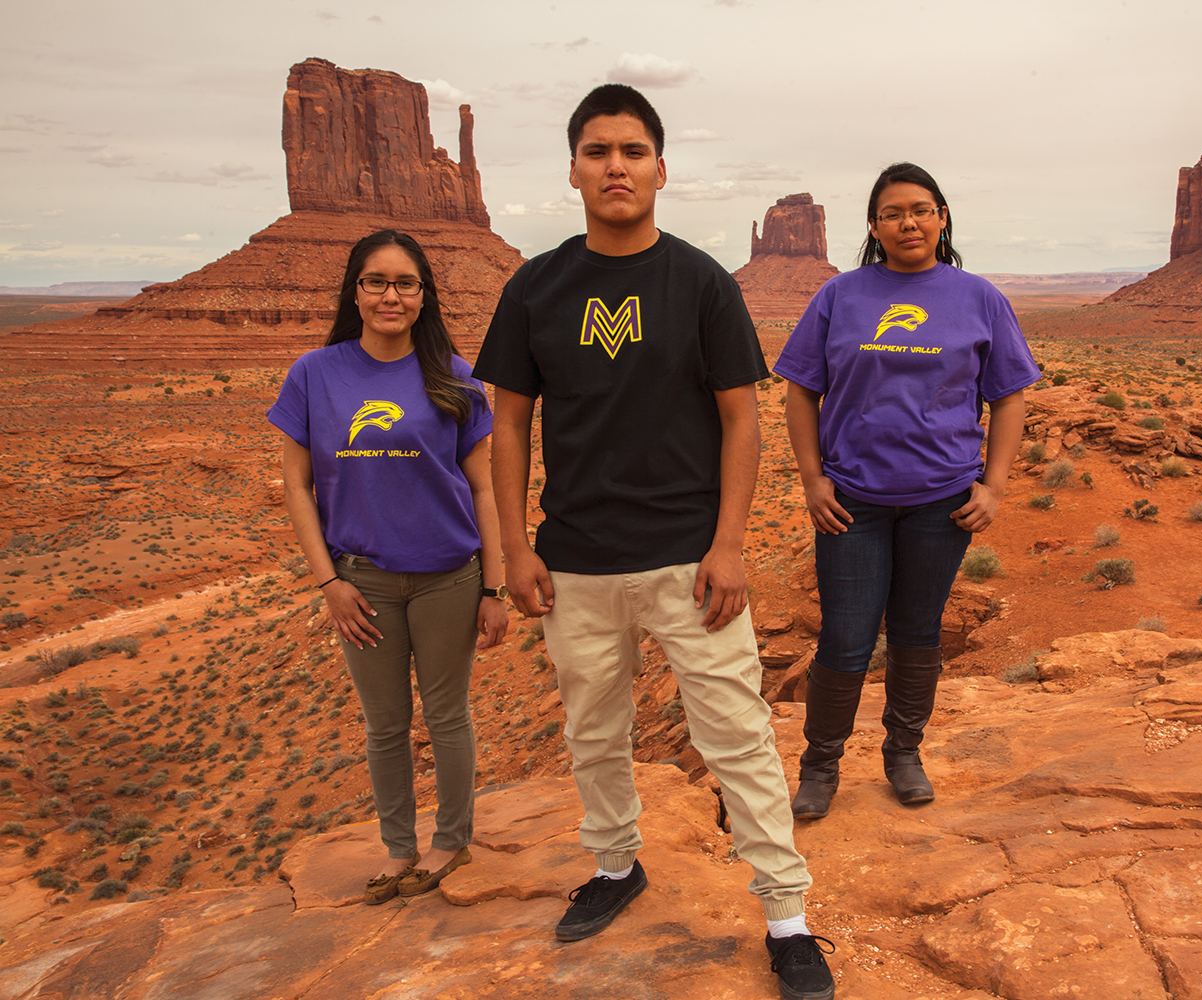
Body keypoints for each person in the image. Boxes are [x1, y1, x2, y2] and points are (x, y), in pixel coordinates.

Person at [473, 85, 836, 1000]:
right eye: (597, 152)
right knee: (594, 733)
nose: (616, 167)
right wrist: (514, 550)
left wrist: (731, 544)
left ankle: (786, 914)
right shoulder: (534, 287)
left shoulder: (702, 281)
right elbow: (508, 427)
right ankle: (614, 865)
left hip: (688, 560)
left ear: (662, 169)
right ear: (572, 170)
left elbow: (740, 421)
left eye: (632, 151)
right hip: (576, 564)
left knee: (738, 736)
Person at [773, 162, 1038, 820]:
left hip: (941, 500)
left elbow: (1010, 395)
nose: (909, 222)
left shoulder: (979, 298)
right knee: (846, 638)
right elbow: (800, 388)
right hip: (852, 500)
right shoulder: (839, 296)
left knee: (918, 633)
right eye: (893, 213)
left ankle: (903, 754)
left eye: (921, 209)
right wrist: (812, 478)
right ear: (874, 226)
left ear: (942, 218)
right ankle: (822, 764)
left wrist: (995, 484)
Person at [269, 230, 508, 905]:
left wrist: (494, 586)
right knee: (383, 723)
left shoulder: (455, 376)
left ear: (424, 295)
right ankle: (399, 849)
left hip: (449, 577)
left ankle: (451, 841)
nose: (390, 295)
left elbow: (485, 489)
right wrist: (329, 582)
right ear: (356, 290)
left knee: (446, 714)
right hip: (363, 581)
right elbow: (295, 486)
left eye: (405, 283)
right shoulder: (314, 373)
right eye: (376, 281)